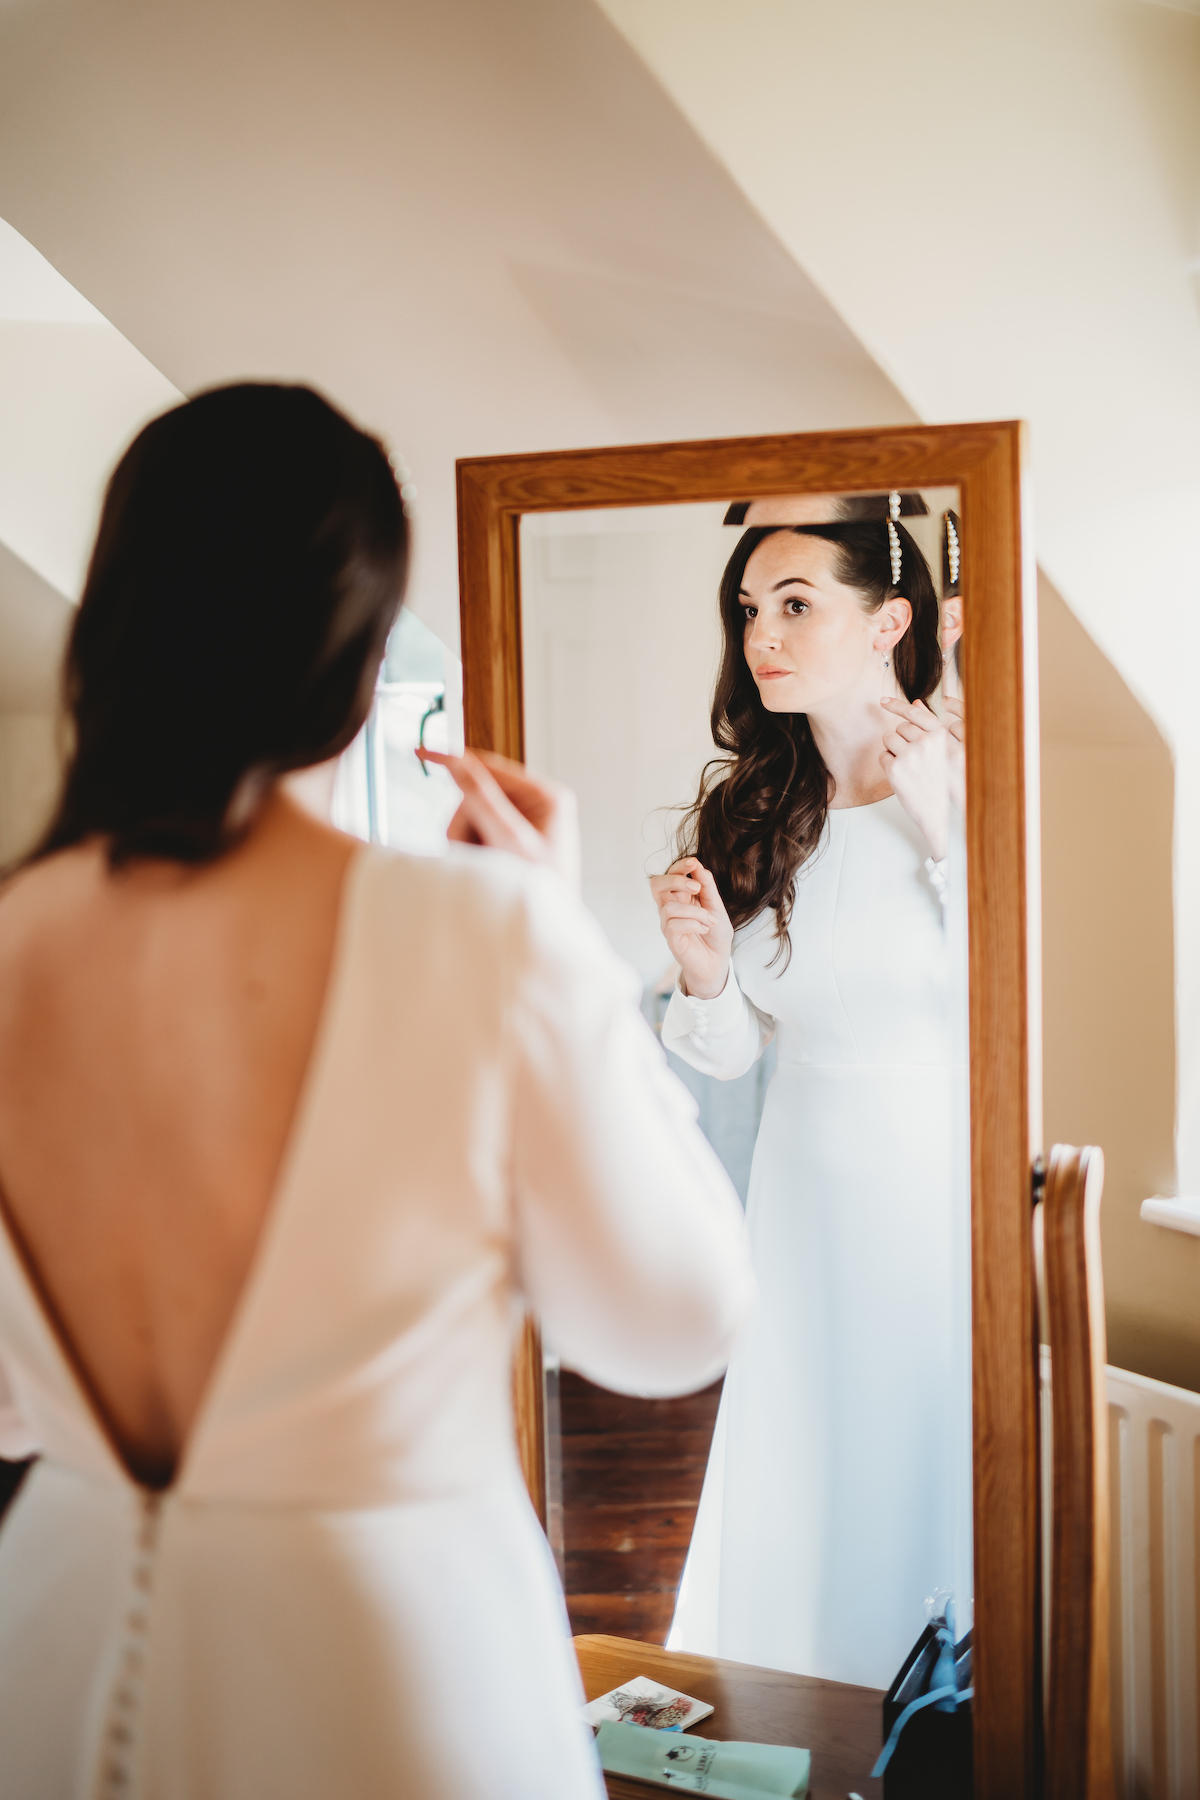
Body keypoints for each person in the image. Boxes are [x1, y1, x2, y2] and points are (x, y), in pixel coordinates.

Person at [0, 383, 753, 1800]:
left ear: (116, 620)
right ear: (357, 659)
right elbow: (669, 1319)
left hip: (51, 1653)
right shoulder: (479, 932)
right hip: (389, 1672)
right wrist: (560, 938)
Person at [652, 518, 963, 1688]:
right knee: (804, 1455)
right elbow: (731, 1059)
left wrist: (944, 837)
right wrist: (704, 974)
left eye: (793, 604)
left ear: (889, 622)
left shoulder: (968, 779)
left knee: (913, 1453)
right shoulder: (753, 815)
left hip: (933, 1186)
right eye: (748, 610)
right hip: (800, 1187)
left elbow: (1012, 1006)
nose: (762, 635)